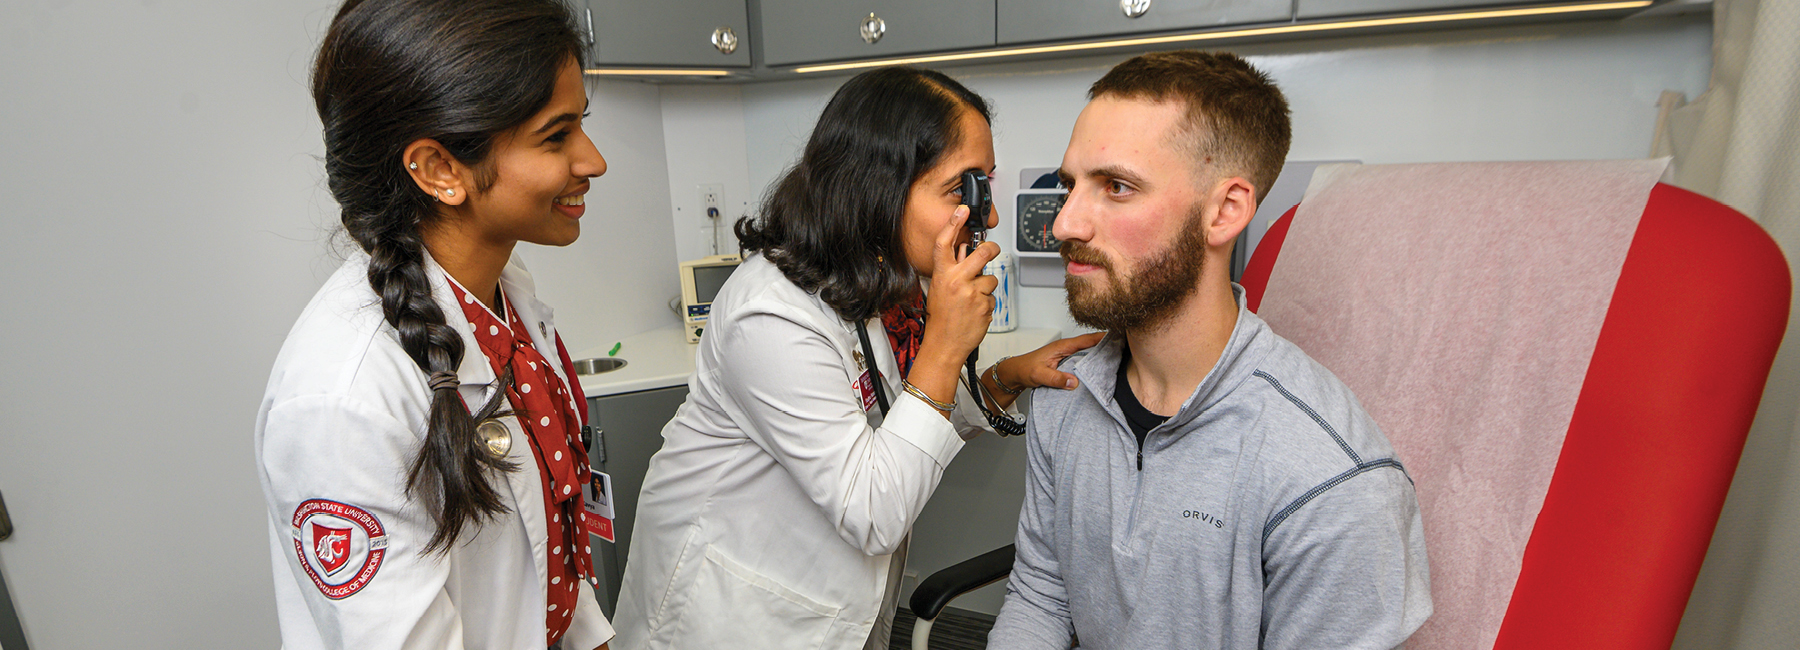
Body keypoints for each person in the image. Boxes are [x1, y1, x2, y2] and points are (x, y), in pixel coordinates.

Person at [611, 67, 1104, 650]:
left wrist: (1004, 378)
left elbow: (896, 425)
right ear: (878, 186)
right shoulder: (771, 313)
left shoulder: (879, 286)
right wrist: (946, 344)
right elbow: (873, 511)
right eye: (962, 189)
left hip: (831, 613)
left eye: (984, 187)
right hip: (730, 621)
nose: (988, 217)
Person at [987, 51, 1432, 650]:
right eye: (1070, 186)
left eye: (1116, 187)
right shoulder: (1066, 394)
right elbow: (1042, 594)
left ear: (1225, 211)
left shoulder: (1330, 484)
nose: (1065, 223)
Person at [256, 1, 614, 648]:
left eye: (580, 125)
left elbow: (553, 542)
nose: (593, 161)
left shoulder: (505, 295)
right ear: (439, 169)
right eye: (556, 136)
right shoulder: (344, 400)